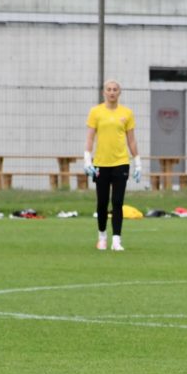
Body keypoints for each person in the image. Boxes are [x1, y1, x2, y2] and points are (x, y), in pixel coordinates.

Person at [84, 79, 141, 252]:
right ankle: (102, 236)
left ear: (119, 92)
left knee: (117, 202)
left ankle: (116, 240)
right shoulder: (95, 112)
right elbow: (90, 137)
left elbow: (131, 140)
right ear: (104, 92)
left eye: (115, 89)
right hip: (101, 164)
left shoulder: (127, 113)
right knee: (102, 203)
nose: (112, 92)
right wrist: (87, 159)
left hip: (121, 163)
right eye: (108, 89)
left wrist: (137, 162)